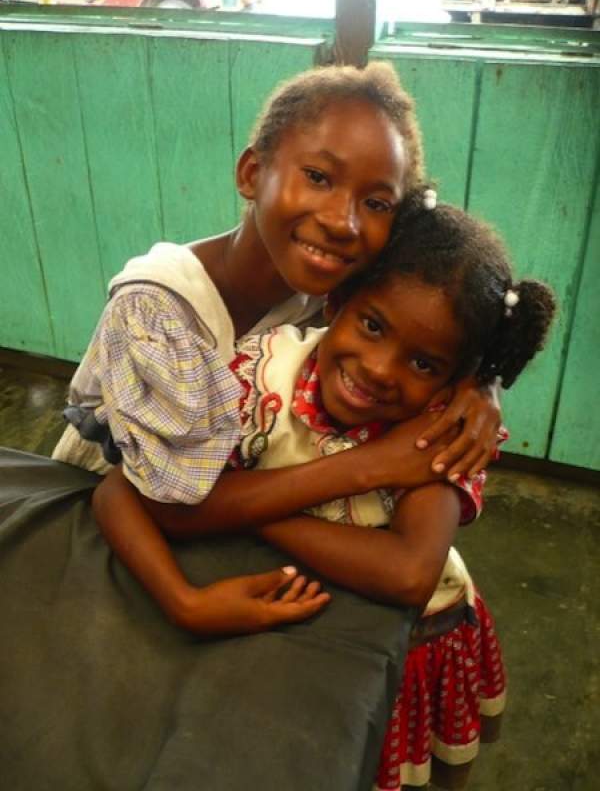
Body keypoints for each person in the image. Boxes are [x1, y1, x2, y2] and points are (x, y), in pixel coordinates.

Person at [94, 191, 556, 788]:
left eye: (424, 364)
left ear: (458, 378)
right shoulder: (256, 374)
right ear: (339, 299)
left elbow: (410, 572)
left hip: (411, 652)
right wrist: (363, 469)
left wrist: (239, 504)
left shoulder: (442, 428)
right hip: (293, 649)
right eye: (371, 324)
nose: (380, 369)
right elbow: (120, 492)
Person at [53, 62, 502, 635]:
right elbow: (173, 502)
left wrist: (483, 381)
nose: (344, 221)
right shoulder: (157, 312)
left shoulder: (343, 284)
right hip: (118, 516)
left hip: (236, 512)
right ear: (251, 172)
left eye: (377, 203)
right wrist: (368, 467)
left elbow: (452, 296)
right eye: (318, 176)